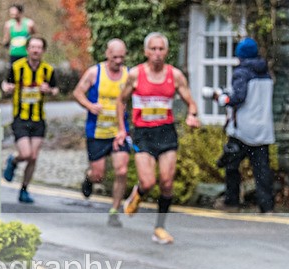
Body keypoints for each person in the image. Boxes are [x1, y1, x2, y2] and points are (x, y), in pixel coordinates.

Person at [113, 32, 201, 244]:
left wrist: (192, 115)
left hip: (166, 132)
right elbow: (120, 102)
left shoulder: (175, 76)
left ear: (167, 52)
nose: (157, 53)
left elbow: (191, 102)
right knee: (148, 181)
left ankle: (159, 228)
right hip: (143, 133)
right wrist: (121, 129)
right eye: (153, 49)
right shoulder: (135, 74)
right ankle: (138, 193)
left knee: (167, 182)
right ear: (146, 51)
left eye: (161, 49)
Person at [205, 37, 275, 214]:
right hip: (263, 130)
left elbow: (238, 98)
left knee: (231, 166)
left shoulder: (241, 73)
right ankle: (266, 206)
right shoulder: (265, 72)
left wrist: (220, 98)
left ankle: (232, 201)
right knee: (262, 171)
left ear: (240, 55)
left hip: (242, 130)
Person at [72, 38, 130, 227]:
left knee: (121, 170)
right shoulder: (94, 72)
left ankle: (114, 211)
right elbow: (77, 93)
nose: (118, 61)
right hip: (96, 132)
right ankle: (89, 179)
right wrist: (90, 105)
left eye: (122, 57)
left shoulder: (128, 75)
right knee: (99, 175)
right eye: (115, 57)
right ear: (107, 54)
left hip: (118, 131)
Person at [1, 36, 58, 203]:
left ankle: (24, 189)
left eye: (39, 47)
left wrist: (49, 90)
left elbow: (55, 90)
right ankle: (14, 160)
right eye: (32, 47)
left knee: (33, 157)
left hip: (39, 119)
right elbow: (5, 85)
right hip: (20, 117)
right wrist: (8, 88)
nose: (35, 50)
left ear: (43, 50)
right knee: (25, 154)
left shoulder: (48, 70)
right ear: (27, 49)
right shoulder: (17, 67)